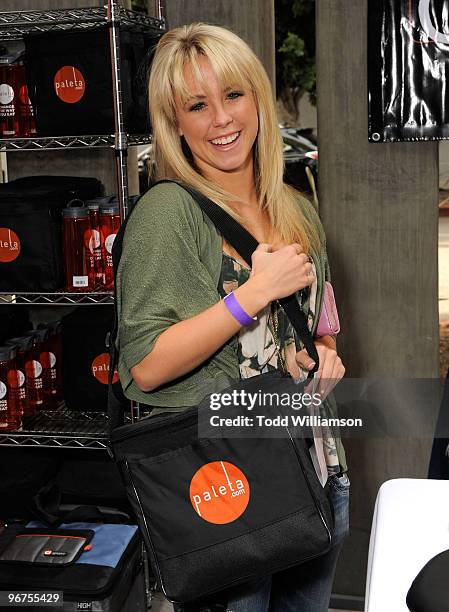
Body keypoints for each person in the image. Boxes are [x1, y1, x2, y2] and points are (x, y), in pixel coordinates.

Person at [116, 22, 349, 612]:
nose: (221, 119)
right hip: (229, 488)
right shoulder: (168, 213)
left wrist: (322, 355)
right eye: (197, 105)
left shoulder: (295, 207)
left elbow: (318, 324)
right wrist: (251, 294)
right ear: (176, 125)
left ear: (258, 100)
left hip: (316, 467)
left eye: (233, 95)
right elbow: (144, 366)